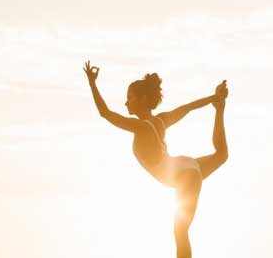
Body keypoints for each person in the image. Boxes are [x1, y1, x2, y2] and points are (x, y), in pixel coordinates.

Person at [82, 60, 229, 258]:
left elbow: (105, 113)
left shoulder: (140, 127)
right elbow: (188, 107)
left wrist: (92, 84)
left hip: (184, 173)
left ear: (142, 99)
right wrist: (215, 97)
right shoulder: (161, 120)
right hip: (185, 165)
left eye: (129, 98)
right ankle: (220, 109)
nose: (126, 103)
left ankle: (219, 107)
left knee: (180, 231)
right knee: (221, 155)